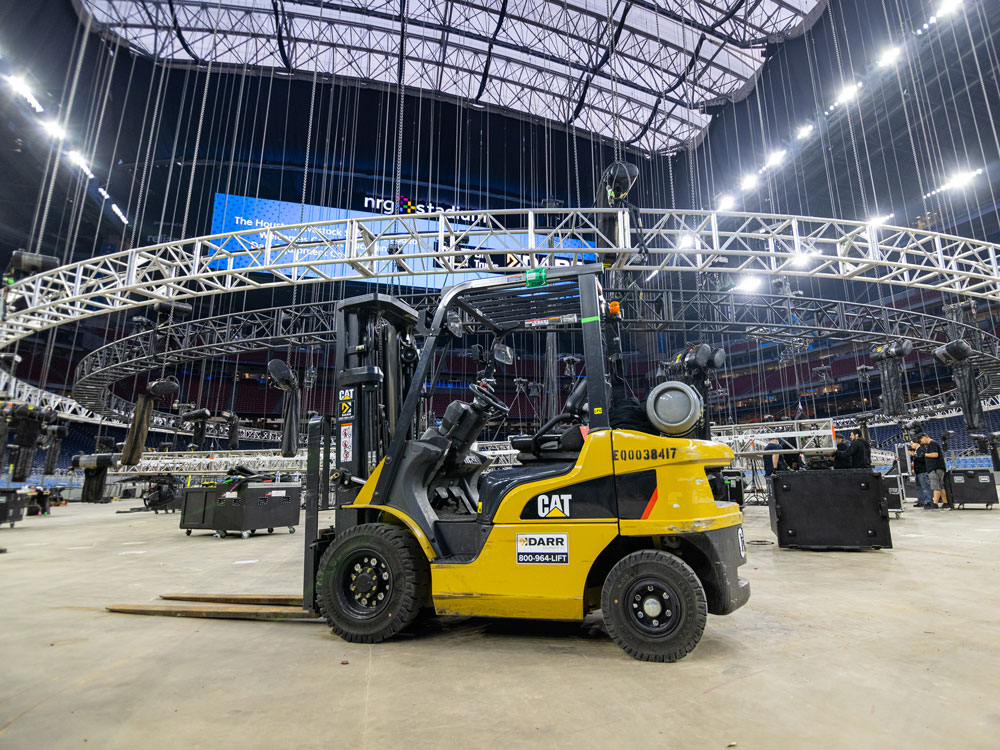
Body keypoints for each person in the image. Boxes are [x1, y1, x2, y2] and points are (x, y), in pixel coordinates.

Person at [920, 433, 951, 509]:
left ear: (924, 437)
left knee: (935, 486)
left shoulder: (932, 443)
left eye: (921, 440)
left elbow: (935, 454)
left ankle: (935, 504)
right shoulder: (931, 444)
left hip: (935, 468)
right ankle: (945, 503)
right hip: (937, 467)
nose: (921, 443)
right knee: (940, 486)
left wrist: (924, 454)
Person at [908, 436, 932, 508]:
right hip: (918, 471)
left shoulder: (922, 449)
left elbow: (922, 459)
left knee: (925, 487)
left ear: (916, 443)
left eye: (912, 444)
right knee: (919, 487)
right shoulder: (916, 451)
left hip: (923, 471)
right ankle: (921, 501)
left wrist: (914, 455)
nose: (911, 445)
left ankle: (929, 502)